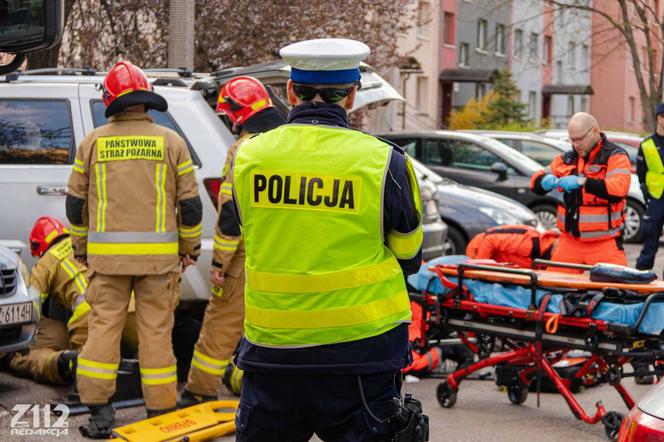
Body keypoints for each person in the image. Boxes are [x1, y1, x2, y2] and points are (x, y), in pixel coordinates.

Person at [230, 38, 425, 441]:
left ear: (289, 90)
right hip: (361, 353)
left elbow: (250, 229)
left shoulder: (249, 156)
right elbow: (409, 256)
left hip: (273, 350)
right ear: (352, 95)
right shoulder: (385, 160)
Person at [66, 61, 202, 438]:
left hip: (107, 262)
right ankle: (160, 413)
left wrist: (80, 245)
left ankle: (99, 414)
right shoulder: (171, 142)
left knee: (103, 329)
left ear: (110, 100)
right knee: (157, 333)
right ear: (145, 100)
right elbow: (190, 205)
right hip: (159, 264)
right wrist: (189, 247)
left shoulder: (92, 142)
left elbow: (75, 204)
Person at [178, 76, 285, 406]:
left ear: (240, 114)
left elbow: (230, 213)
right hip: (285, 255)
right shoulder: (290, 146)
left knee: (221, 323)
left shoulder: (244, 151)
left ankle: (199, 391)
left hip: (246, 257)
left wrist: (221, 263)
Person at [530, 112, 631, 273]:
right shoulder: (566, 158)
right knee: (552, 289)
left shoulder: (615, 156)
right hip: (570, 241)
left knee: (617, 292)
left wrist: (583, 182)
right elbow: (535, 181)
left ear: (595, 131)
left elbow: (619, 188)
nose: (576, 144)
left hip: (604, 243)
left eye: (580, 139)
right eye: (573, 140)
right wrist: (543, 181)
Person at [7, 216, 88, 384]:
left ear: (38, 246)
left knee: (86, 366)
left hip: (87, 317)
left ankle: (69, 368)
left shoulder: (47, 261)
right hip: (121, 308)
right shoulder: (82, 246)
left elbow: (30, 303)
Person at [636, 103, 664, 273]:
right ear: (660, 118)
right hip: (656, 198)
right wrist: (647, 193)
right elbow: (641, 173)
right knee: (650, 239)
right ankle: (641, 277)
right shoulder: (647, 145)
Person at [465, 224, 560, 268]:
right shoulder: (529, 243)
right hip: (478, 250)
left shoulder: (538, 249)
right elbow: (490, 240)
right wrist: (479, 267)